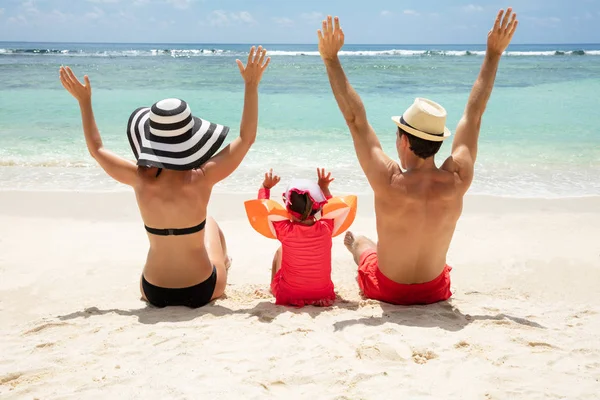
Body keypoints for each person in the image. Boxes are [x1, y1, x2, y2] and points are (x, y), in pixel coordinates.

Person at [318, 9, 518, 305]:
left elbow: (355, 120)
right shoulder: (458, 178)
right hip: (434, 291)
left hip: (387, 289)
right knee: (371, 248)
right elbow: (474, 115)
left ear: (404, 140)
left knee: (363, 244)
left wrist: (331, 59)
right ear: (437, 143)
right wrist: (493, 54)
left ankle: (358, 246)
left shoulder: (388, 180)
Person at [59, 46, 271, 308]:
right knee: (210, 223)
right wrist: (251, 85)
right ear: (191, 138)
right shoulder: (203, 177)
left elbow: (97, 149)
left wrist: (84, 102)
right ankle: (224, 262)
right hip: (203, 289)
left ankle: (215, 264)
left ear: (150, 138)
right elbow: (246, 138)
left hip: (152, 290)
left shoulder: (139, 179)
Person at [257, 168, 338, 307]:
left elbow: (263, 208)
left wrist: (265, 187)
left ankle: (272, 288)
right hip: (323, 294)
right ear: (318, 207)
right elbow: (330, 207)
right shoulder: (326, 228)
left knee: (280, 251)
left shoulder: (285, 231)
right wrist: (324, 187)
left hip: (289, 295)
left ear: (287, 207)